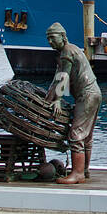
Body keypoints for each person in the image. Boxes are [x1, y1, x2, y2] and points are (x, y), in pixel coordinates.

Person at [44, 22, 101, 185]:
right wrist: (53, 95)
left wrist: (57, 100)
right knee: (87, 136)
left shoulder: (67, 52)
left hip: (87, 95)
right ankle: (84, 170)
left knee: (75, 136)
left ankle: (77, 174)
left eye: (53, 38)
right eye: (48, 39)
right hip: (95, 93)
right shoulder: (72, 49)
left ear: (63, 37)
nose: (50, 42)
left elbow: (63, 76)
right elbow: (59, 76)